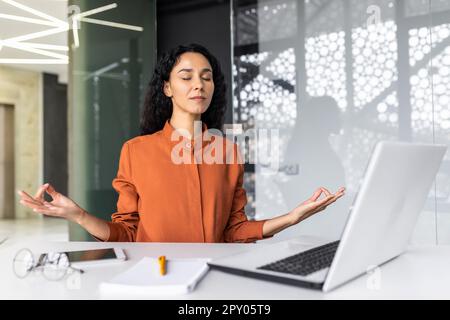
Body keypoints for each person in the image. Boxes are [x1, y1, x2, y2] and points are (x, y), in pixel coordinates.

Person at [17, 43, 345, 242]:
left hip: (213, 283)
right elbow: (128, 234)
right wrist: (78, 215)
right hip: (154, 280)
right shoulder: (135, 151)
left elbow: (234, 232)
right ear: (168, 88)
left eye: (206, 77)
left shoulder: (228, 152)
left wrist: (292, 217)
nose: (198, 84)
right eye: (186, 77)